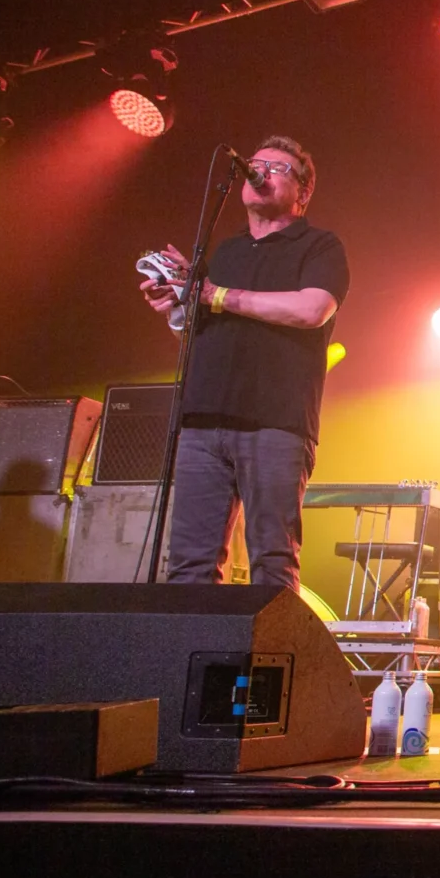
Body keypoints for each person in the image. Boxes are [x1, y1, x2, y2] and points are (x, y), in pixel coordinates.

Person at [138, 135, 349, 590]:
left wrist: (214, 294)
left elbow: (311, 310)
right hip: (202, 420)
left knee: (272, 563)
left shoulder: (319, 246)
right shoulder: (225, 252)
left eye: (278, 168)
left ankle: (264, 663)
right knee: (189, 567)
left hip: (275, 423)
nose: (262, 172)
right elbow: (204, 337)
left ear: (304, 192)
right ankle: (186, 661)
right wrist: (179, 305)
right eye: (256, 165)